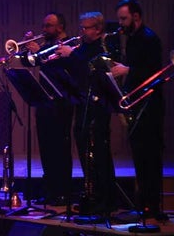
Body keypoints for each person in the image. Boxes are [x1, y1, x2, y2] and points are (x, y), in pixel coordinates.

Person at [54, 12, 116, 216]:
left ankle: (105, 199)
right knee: (84, 153)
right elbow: (74, 70)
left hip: (98, 106)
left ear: (97, 29)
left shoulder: (102, 47)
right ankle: (91, 195)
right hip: (82, 103)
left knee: (98, 154)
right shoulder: (83, 47)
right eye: (81, 27)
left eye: (85, 28)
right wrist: (58, 57)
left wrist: (71, 54)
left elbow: (90, 68)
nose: (81, 31)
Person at [113, 0, 165, 221]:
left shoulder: (149, 39)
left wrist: (127, 70)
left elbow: (153, 72)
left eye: (124, 19)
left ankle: (152, 206)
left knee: (150, 157)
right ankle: (143, 204)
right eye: (119, 19)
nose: (121, 24)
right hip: (136, 104)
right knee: (139, 157)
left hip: (150, 106)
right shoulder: (132, 39)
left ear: (136, 16)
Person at [25, 13, 74, 205]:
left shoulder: (68, 44)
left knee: (59, 148)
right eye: (44, 26)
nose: (44, 30)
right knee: (46, 147)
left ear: (60, 27)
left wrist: (40, 52)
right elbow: (32, 62)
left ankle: (63, 191)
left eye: (49, 26)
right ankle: (51, 190)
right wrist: (30, 48)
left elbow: (60, 63)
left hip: (62, 102)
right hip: (45, 100)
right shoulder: (46, 46)